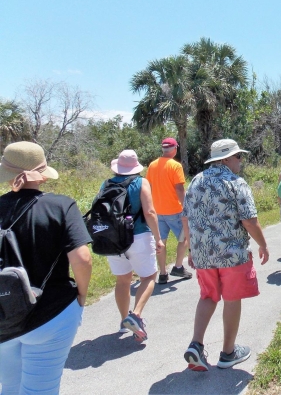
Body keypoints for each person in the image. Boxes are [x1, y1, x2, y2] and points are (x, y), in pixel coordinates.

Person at [0, 141, 92, 394]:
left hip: (2, 314)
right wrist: (81, 295)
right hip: (51, 311)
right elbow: (82, 258)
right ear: (41, 175)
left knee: (8, 387)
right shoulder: (61, 205)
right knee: (41, 389)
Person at [182, 139, 269, 371]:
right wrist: (263, 245)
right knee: (231, 298)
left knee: (208, 296)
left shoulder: (196, 181)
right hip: (231, 255)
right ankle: (228, 353)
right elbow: (249, 221)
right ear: (226, 159)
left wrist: (191, 248)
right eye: (238, 156)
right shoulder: (236, 183)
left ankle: (196, 344)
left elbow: (185, 217)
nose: (240, 160)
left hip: (203, 255)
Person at [100, 150, 165, 341]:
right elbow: (150, 212)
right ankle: (135, 315)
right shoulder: (141, 183)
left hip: (113, 238)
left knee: (122, 280)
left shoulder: (106, 184)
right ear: (136, 167)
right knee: (149, 276)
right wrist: (158, 238)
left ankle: (123, 321)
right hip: (138, 236)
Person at [146, 137, 191, 284]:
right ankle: (178, 266)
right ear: (175, 149)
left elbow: (148, 187)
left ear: (163, 149)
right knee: (184, 238)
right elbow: (179, 188)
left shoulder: (152, 165)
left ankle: (163, 273)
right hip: (175, 210)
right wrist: (186, 206)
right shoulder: (175, 165)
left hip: (157, 210)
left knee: (160, 241)